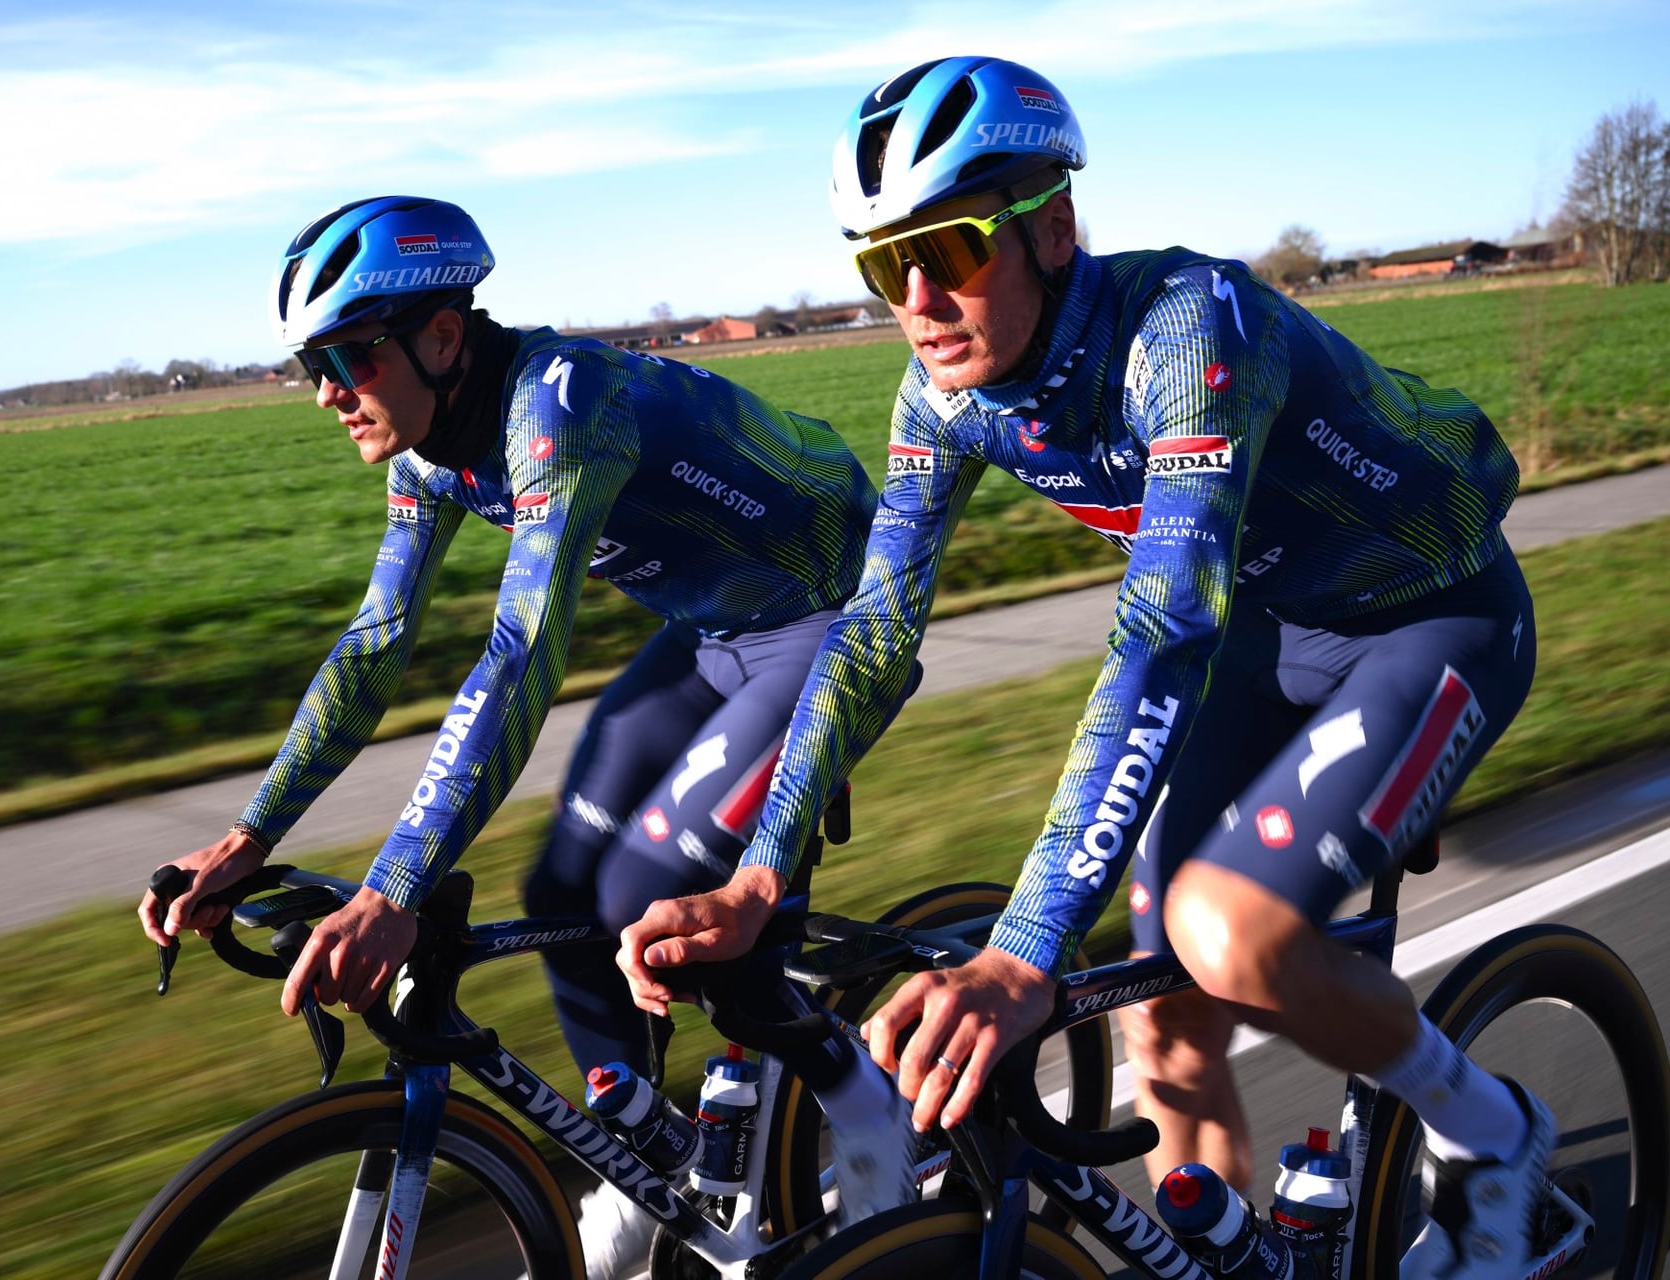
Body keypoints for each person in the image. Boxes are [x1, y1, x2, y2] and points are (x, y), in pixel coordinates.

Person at [618, 57, 1548, 1277]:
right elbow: (877, 635)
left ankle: (1496, 1136)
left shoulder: (1186, 331)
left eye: (945, 249)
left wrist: (1021, 952)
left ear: (1052, 228)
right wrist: (755, 876)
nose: (914, 295)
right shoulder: (943, 397)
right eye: (880, 263)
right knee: (1164, 989)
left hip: (1434, 617)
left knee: (1225, 928)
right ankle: (1234, 1249)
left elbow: (1162, 634)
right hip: (1278, 627)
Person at [135, 195, 914, 1278]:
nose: (326, 390)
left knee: (654, 889)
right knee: (560, 887)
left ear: (443, 335)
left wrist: (395, 884)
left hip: (832, 622)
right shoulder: (428, 455)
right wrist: (249, 832)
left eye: (350, 355)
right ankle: (644, 1156)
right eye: (310, 361)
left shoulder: (562, 404)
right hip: (713, 631)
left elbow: (519, 651)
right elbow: (376, 645)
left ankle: (863, 1100)